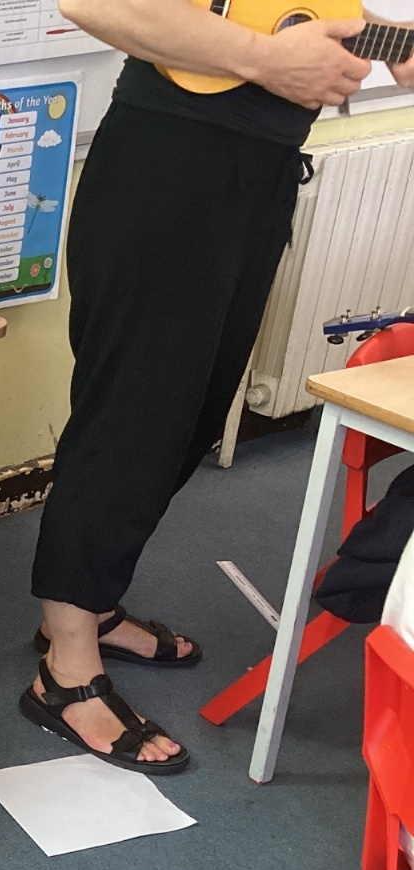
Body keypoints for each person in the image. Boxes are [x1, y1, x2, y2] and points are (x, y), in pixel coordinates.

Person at [22, 1, 414, 773]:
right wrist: (269, 61)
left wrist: (385, 40)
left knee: (189, 418)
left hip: (259, 171)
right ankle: (64, 671)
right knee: (130, 422)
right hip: (171, 161)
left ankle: (88, 607)